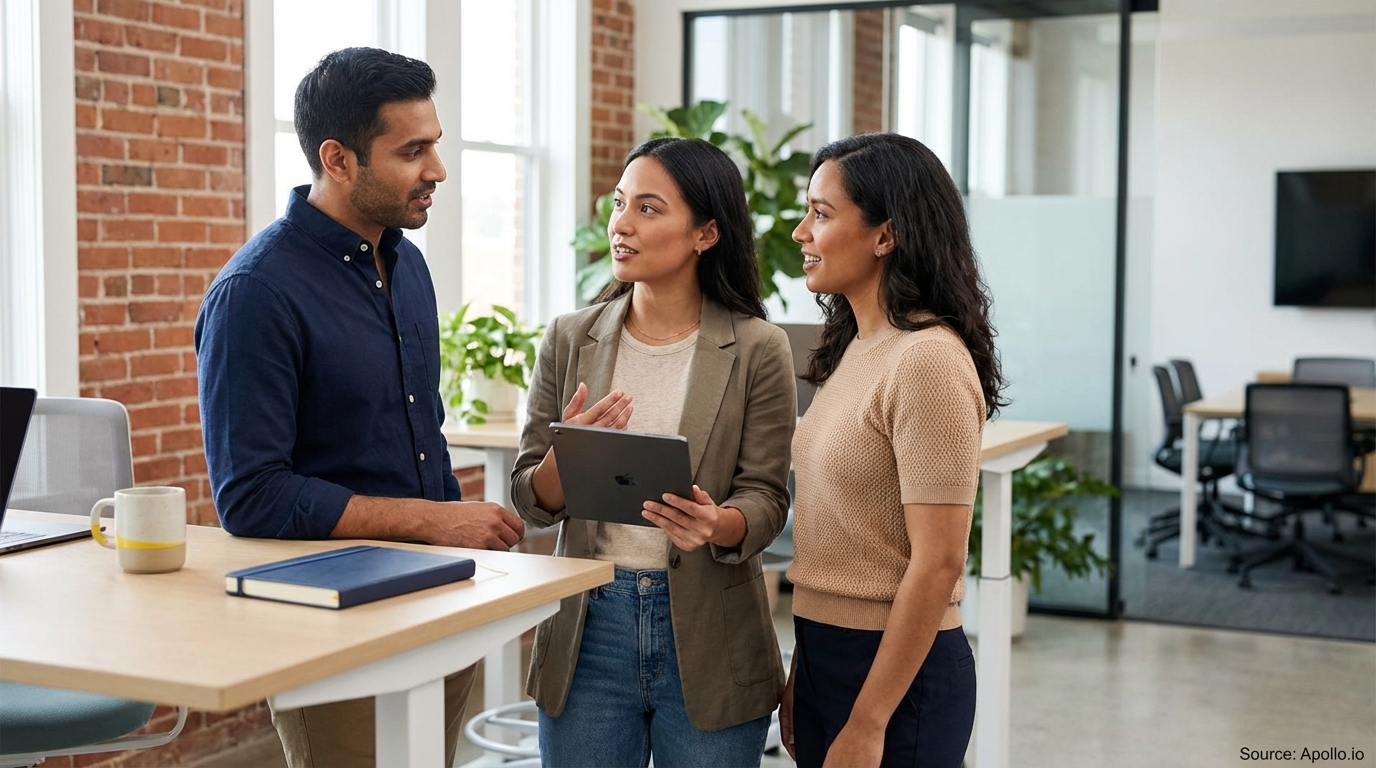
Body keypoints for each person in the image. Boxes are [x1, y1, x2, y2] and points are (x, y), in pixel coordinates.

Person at [195, 47, 524, 768]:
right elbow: (251, 497)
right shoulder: (255, 293)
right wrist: (435, 519)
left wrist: (453, 542)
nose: (436, 169)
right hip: (331, 617)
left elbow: (421, 430)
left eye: (434, 144)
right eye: (413, 151)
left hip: (436, 594)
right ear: (339, 159)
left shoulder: (407, 264)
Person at [510, 137, 796, 767]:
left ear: (705, 233)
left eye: (648, 208)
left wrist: (719, 523)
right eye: (619, 204)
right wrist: (568, 458)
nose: (621, 224)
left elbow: (769, 497)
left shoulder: (758, 347)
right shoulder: (568, 338)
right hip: (590, 628)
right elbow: (529, 496)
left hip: (709, 631)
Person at [779, 133, 1007, 768]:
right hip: (830, 653)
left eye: (821, 214)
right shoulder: (857, 346)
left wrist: (869, 719)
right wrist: (808, 666)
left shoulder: (927, 359)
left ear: (886, 235)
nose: (801, 232)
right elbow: (839, 534)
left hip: (897, 679)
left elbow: (938, 563)